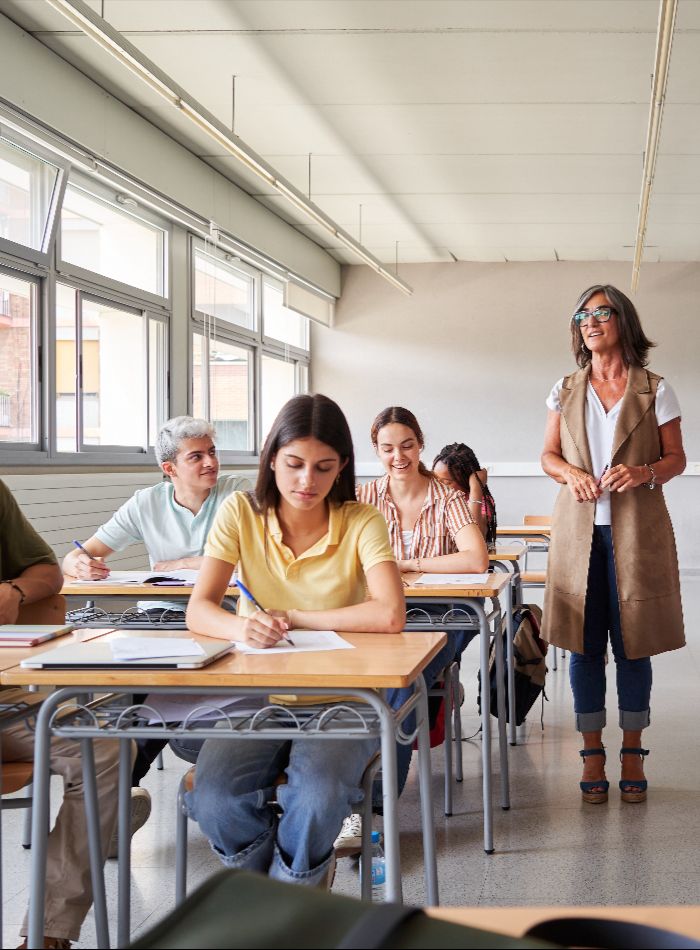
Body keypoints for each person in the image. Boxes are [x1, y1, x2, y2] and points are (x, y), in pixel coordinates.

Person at [185, 393, 404, 888]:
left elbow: (391, 615)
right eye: (295, 464)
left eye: (324, 467)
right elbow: (199, 609)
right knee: (215, 799)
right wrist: (241, 626)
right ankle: (284, 894)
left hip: (343, 695)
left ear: (342, 466)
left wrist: (294, 617)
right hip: (252, 693)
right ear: (271, 460)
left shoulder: (361, 520)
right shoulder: (240, 513)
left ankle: (282, 909)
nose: (308, 481)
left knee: (319, 797)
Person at [61, 415, 250, 844]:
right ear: (170, 469)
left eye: (212, 452)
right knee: (142, 678)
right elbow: (82, 554)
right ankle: (118, 800)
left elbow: (254, 563)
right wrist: (78, 562)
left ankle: (113, 803)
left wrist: (179, 564)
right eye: (196, 456)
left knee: (150, 684)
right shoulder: (145, 502)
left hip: (221, 617)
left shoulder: (238, 494)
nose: (209, 462)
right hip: (158, 618)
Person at [541, 284, 686, 804]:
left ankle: (631, 750)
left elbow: (676, 460)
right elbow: (548, 455)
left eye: (601, 312)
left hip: (634, 534)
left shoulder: (655, 388)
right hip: (579, 531)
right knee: (583, 645)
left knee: (633, 644)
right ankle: (591, 754)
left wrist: (644, 471)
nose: (590, 321)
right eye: (582, 313)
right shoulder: (564, 388)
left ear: (623, 321)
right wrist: (570, 474)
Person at [0, 478, 127, 950]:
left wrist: (14, 590)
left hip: (8, 705)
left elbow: (48, 575)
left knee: (107, 746)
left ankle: (49, 933)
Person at [355, 406, 488, 813]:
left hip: (443, 613)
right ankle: (352, 797)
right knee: (377, 687)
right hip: (381, 613)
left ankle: (375, 811)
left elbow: (476, 559)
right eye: (388, 448)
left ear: (421, 445)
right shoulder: (363, 498)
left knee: (402, 682)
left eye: (408, 446)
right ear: (376, 450)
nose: (399, 457)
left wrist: (408, 564)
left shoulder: (446, 496)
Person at [432, 442, 498, 547]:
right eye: (435, 479)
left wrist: (476, 488)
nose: (438, 486)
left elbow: (475, 538)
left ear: (465, 480)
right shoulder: (433, 499)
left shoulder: (481, 501)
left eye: (447, 482)